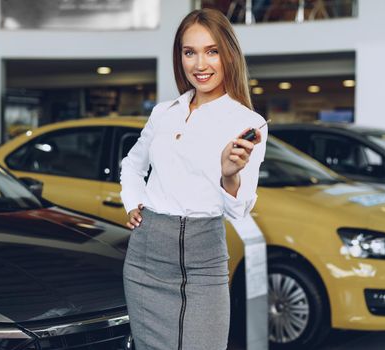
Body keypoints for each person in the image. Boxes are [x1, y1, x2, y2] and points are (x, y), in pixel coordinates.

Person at [120, 8, 267, 350]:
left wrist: (229, 176)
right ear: (180, 57)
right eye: (190, 52)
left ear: (228, 54)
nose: (200, 64)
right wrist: (133, 202)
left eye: (211, 51)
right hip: (145, 258)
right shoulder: (164, 113)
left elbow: (240, 209)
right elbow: (132, 164)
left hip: (204, 261)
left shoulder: (248, 122)